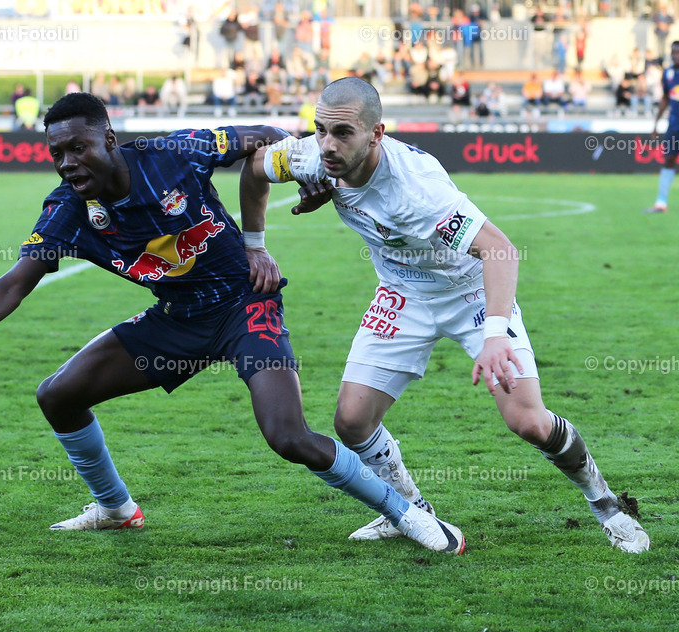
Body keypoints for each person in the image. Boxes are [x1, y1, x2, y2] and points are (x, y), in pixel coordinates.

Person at [0, 92, 465, 553]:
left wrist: (301, 185)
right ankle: (115, 508)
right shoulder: (68, 211)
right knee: (58, 394)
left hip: (246, 306)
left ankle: (408, 513)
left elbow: (267, 135)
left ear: (108, 139)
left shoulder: (177, 154)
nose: (68, 161)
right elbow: (14, 282)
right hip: (175, 324)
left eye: (78, 147)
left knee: (287, 435)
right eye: (57, 153)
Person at [239, 77, 649, 553]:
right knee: (351, 422)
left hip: (470, 292)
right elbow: (254, 169)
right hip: (402, 294)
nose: (327, 145)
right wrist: (255, 247)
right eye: (320, 129)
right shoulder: (312, 155)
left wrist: (496, 334)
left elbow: (498, 250)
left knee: (529, 422)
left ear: (377, 134)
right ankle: (411, 512)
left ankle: (607, 507)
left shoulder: (418, 191)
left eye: (343, 133)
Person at [645, 40, 679, 213]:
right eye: (673, 52)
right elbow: (665, 99)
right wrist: (656, 124)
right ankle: (661, 203)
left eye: (678, 53)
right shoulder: (668, 73)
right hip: (674, 124)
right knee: (669, 160)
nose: (675, 56)